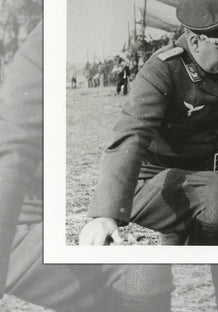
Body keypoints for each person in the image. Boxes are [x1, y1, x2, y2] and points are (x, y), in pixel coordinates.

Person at [0, 23, 174, 311]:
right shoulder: (41, 46)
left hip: (39, 223)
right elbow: (14, 154)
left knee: (144, 271)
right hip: (14, 224)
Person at [79, 0, 218, 246]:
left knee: (182, 266)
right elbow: (132, 134)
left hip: (197, 179)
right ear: (195, 41)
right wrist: (106, 213)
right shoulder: (163, 69)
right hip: (153, 182)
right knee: (214, 190)